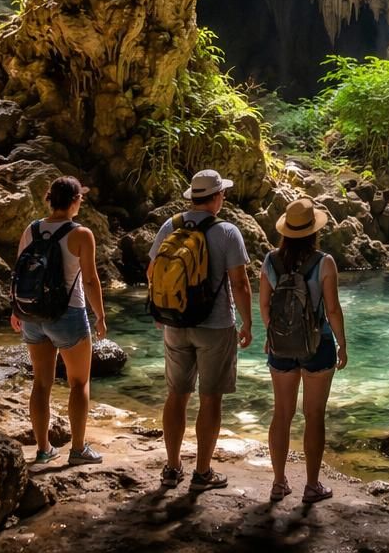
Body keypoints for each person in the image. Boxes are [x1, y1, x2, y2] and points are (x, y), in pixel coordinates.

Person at [149, 169, 252, 491]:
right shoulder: (228, 232)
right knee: (210, 399)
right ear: (217, 197)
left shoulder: (171, 226)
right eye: (223, 194)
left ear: (193, 197)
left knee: (177, 395)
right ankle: (202, 472)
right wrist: (248, 322)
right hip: (216, 326)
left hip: (175, 322)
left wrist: (161, 306)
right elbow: (240, 283)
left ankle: (172, 467)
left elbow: (152, 270)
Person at [11, 176, 108, 466]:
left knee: (41, 383)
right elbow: (90, 280)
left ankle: (43, 449)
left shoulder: (33, 229)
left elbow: (19, 272)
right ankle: (78, 450)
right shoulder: (81, 234)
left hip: (32, 313)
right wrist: (100, 315)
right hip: (68, 314)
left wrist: (15, 310)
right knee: (79, 383)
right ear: (75, 201)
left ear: (49, 199)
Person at [260, 198, 348, 504]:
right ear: (314, 231)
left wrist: (273, 333)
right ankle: (311, 486)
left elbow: (264, 305)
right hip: (318, 345)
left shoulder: (270, 261)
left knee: (281, 414)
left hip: (280, 346)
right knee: (314, 416)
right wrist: (342, 344)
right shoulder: (325, 263)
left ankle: (278, 483)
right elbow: (333, 310)